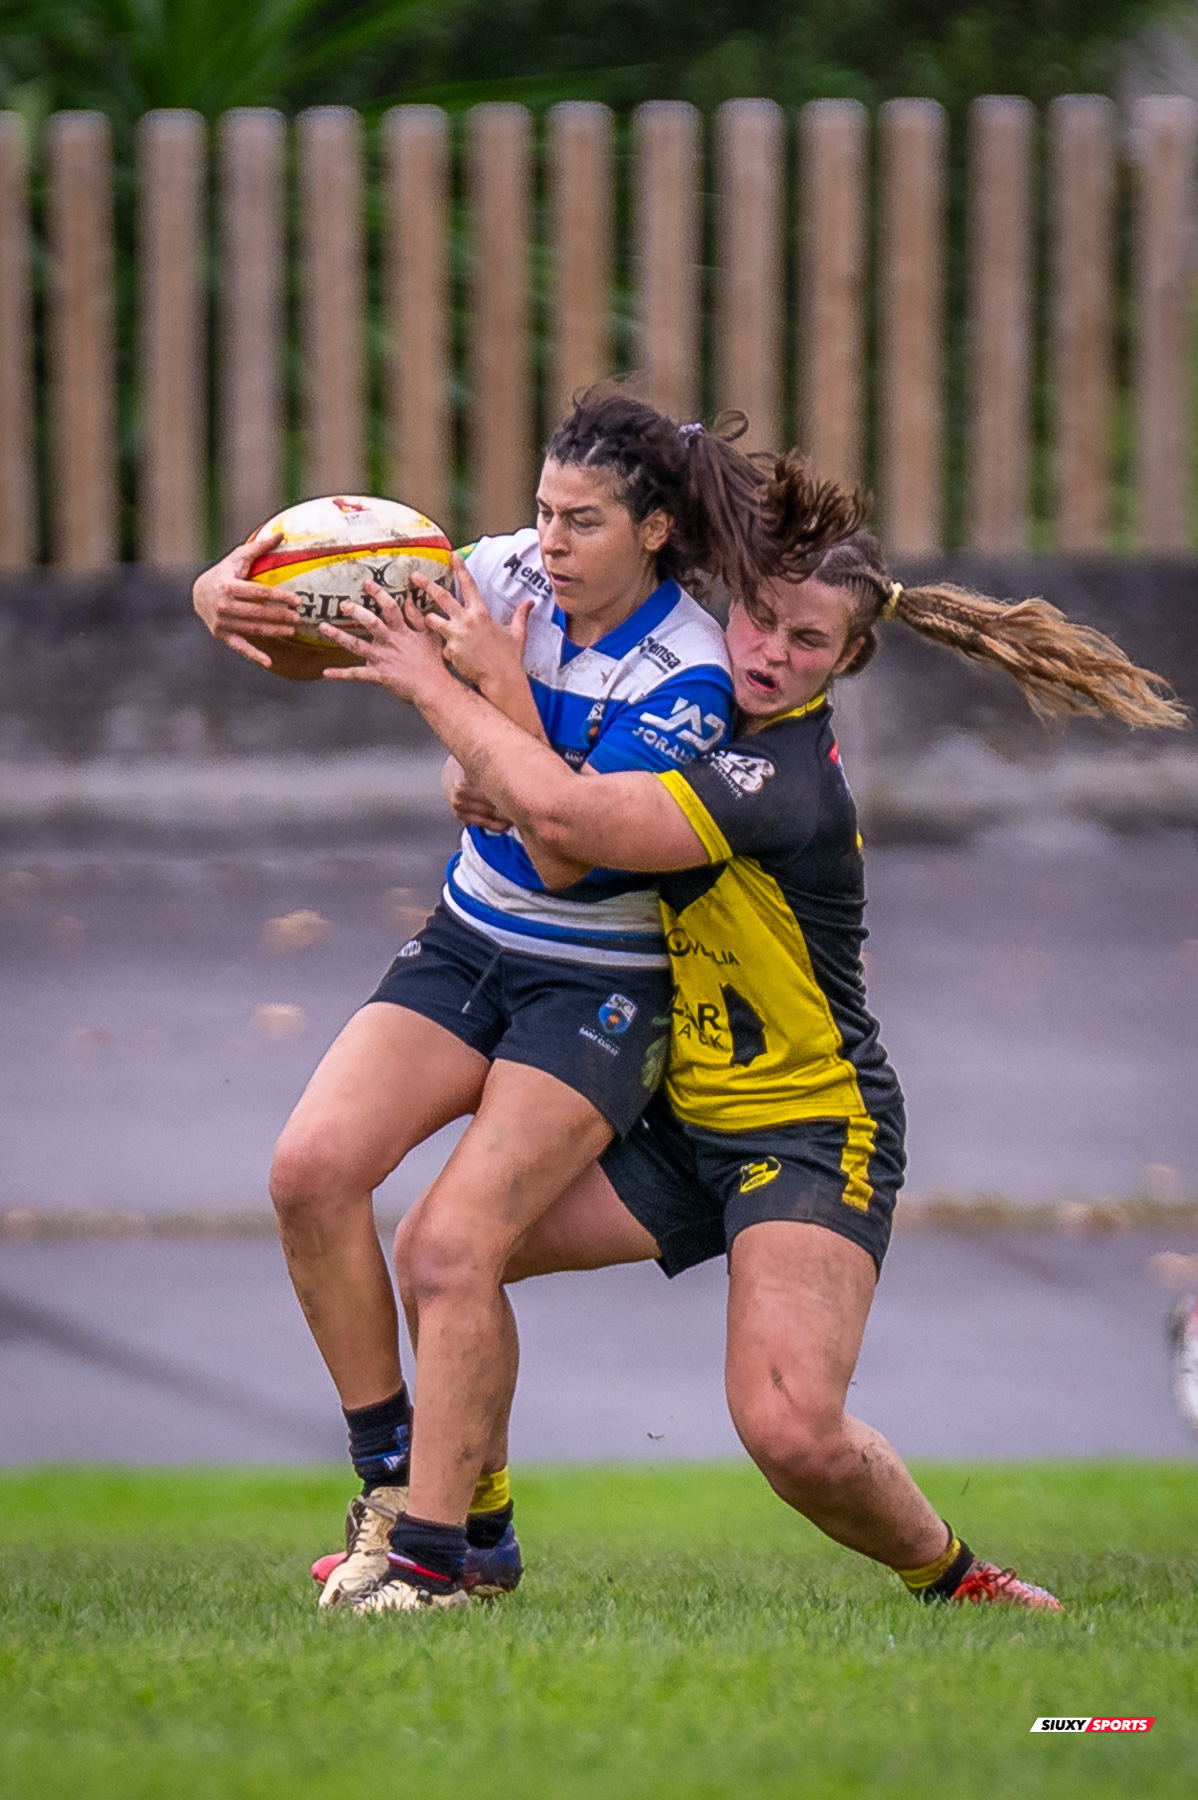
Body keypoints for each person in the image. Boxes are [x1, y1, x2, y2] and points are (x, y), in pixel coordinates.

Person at [316, 514, 1185, 1612]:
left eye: (808, 642)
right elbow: (522, 795)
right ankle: (468, 1541)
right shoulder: (688, 705)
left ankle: (960, 1584)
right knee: (446, 1254)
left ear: (850, 661)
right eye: (760, 620)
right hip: (685, 1121)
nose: (771, 652)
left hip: (807, 1125)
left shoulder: (777, 777)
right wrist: (482, 764)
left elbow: (561, 815)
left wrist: (464, 697)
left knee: (789, 1432)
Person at [192, 390, 863, 1610]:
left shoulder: (695, 675)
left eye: (582, 521)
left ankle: (442, 1567)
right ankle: (391, 1481)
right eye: (542, 511)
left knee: (451, 1248)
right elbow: (325, 614)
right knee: (309, 1171)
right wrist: (225, 591)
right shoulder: (501, 568)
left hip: (600, 985)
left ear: (655, 532)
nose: (544, 542)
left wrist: (483, 696)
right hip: (469, 936)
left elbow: (559, 844)